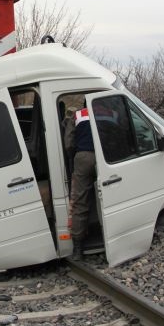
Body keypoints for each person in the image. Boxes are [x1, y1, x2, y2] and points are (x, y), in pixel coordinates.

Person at [65, 101, 96, 260]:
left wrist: (73, 158)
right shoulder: (112, 112)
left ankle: (78, 248)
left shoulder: (78, 114)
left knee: (80, 201)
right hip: (107, 156)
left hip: (84, 157)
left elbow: (69, 143)